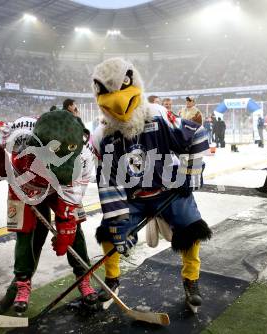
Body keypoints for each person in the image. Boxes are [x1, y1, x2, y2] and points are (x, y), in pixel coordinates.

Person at [91, 58, 212, 312]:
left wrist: (189, 174)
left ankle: (191, 281)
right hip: (133, 198)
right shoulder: (102, 135)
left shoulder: (157, 115)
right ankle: (112, 279)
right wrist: (117, 222)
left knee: (191, 227)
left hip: (170, 190)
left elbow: (197, 135)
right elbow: (108, 181)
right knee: (110, 233)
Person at [0, 109, 98, 314]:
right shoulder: (20, 134)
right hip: (23, 186)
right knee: (25, 234)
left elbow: (72, 202)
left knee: (74, 232)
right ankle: (22, 285)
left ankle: (83, 278)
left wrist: (66, 225)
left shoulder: (85, 158)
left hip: (62, 189)